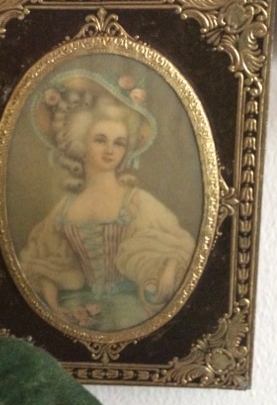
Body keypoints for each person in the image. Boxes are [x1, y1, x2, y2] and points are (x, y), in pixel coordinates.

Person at [19, 69, 195, 332]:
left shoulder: (137, 202)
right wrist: (55, 309)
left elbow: (178, 248)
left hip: (129, 309)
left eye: (119, 143)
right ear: (82, 144)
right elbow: (43, 264)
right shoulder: (64, 209)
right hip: (77, 309)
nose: (110, 150)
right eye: (100, 140)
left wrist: (168, 269)